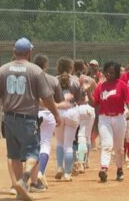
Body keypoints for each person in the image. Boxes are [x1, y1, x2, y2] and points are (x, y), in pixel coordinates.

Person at [0, 37, 60, 201]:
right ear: (29, 53)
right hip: (27, 119)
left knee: (13, 155)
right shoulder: (35, 70)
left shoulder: (3, 70)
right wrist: (56, 114)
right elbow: (47, 97)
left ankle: (20, 189)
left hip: (9, 119)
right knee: (33, 152)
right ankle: (25, 179)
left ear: (14, 52)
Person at [84, 61, 129, 183]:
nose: (109, 74)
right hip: (104, 118)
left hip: (119, 118)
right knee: (106, 145)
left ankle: (119, 169)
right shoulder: (101, 86)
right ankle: (104, 169)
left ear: (116, 73)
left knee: (119, 148)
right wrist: (87, 91)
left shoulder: (121, 85)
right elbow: (93, 103)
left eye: (112, 72)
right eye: (107, 72)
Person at [29, 54, 71, 191]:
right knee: (45, 143)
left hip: (33, 114)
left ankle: (30, 176)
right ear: (46, 66)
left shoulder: (30, 78)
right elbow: (59, 101)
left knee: (33, 145)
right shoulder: (53, 80)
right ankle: (41, 172)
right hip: (48, 115)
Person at [54, 57, 81, 182]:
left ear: (58, 68)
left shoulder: (54, 80)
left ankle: (59, 167)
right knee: (69, 145)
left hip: (58, 111)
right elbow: (79, 99)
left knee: (59, 142)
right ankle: (66, 173)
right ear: (71, 68)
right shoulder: (75, 81)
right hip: (72, 112)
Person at [73, 59, 97, 173]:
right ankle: (83, 161)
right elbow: (95, 98)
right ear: (84, 68)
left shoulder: (68, 79)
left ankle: (73, 161)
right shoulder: (91, 80)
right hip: (86, 108)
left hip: (72, 109)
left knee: (72, 137)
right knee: (84, 137)